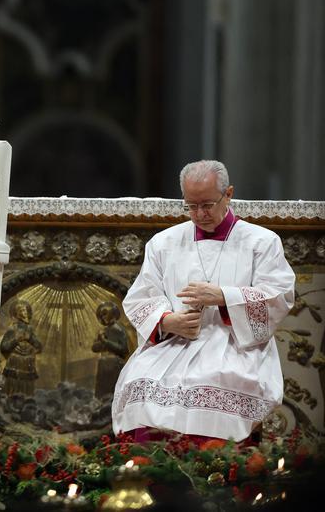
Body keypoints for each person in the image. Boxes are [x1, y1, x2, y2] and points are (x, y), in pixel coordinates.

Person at [112, 160, 295, 442]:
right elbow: (141, 297)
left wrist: (224, 297)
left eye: (207, 205)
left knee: (214, 378)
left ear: (229, 194)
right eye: (191, 206)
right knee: (141, 384)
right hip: (174, 343)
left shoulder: (261, 242)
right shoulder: (164, 243)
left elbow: (279, 295)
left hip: (233, 344)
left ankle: (215, 476)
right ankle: (148, 476)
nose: (199, 214)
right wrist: (167, 321)